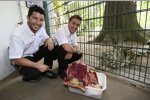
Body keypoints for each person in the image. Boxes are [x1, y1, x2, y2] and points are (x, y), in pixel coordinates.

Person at [9, 5, 57, 82]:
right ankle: (25, 74)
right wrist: (38, 65)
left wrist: (49, 39)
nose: (38, 23)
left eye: (41, 20)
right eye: (35, 18)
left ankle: (46, 70)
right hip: (22, 59)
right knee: (35, 74)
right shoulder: (17, 34)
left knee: (50, 45)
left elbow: (46, 38)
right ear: (28, 18)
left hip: (34, 53)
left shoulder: (40, 28)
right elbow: (16, 60)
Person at [52, 15, 83, 79]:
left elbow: (77, 47)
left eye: (77, 25)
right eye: (73, 23)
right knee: (63, 48)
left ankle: (64, 63)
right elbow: (66, 47)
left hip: (65, 50)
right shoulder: (61, 30)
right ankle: (61, 70)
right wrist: (72, 50)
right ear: (68, 22)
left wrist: (72, 50)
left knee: (79, 54)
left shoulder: (74, 33)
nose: (75, 26)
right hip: (53, 52)